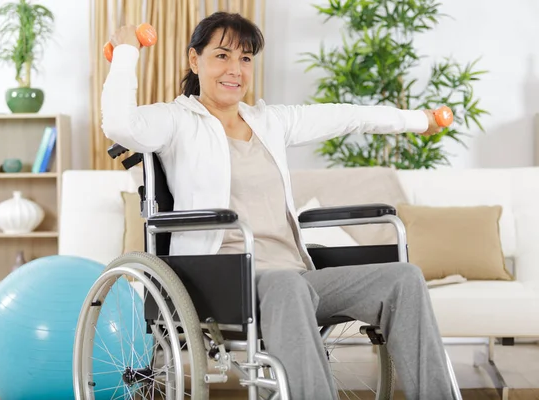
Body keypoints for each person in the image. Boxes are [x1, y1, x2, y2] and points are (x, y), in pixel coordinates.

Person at [102, 11, 456, 400]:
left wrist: (418, 121)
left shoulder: (270, 121)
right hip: (221, 282)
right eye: (222, 55)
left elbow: (347, 116)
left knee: (403, 278)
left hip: (294, 276)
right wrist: (126, 51)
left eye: (245, 58)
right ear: (194, 60)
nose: (234, 69)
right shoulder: (177, 121)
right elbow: (120, 124)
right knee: (287, 285)